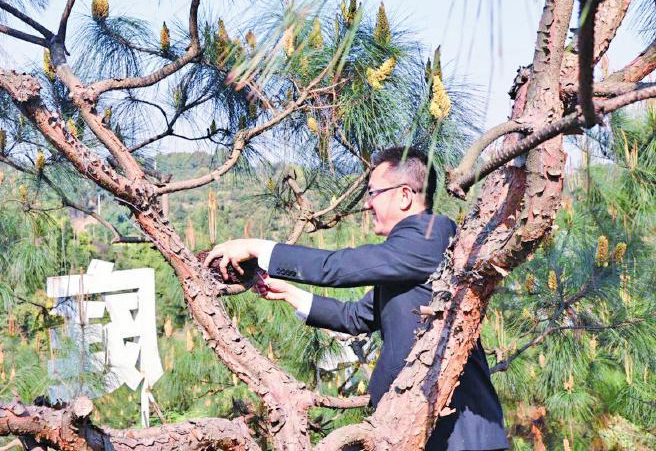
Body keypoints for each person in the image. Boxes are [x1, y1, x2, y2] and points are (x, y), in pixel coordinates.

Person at [204, 146, 508, 451]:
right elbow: (356, 317)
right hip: (428, 430)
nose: (368, 202)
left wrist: (257, 247)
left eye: (374, 192)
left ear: (404, 196)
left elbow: (337, 267)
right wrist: (291, 294)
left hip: (460, 437)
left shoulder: (428, 235)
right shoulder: (408, 255)